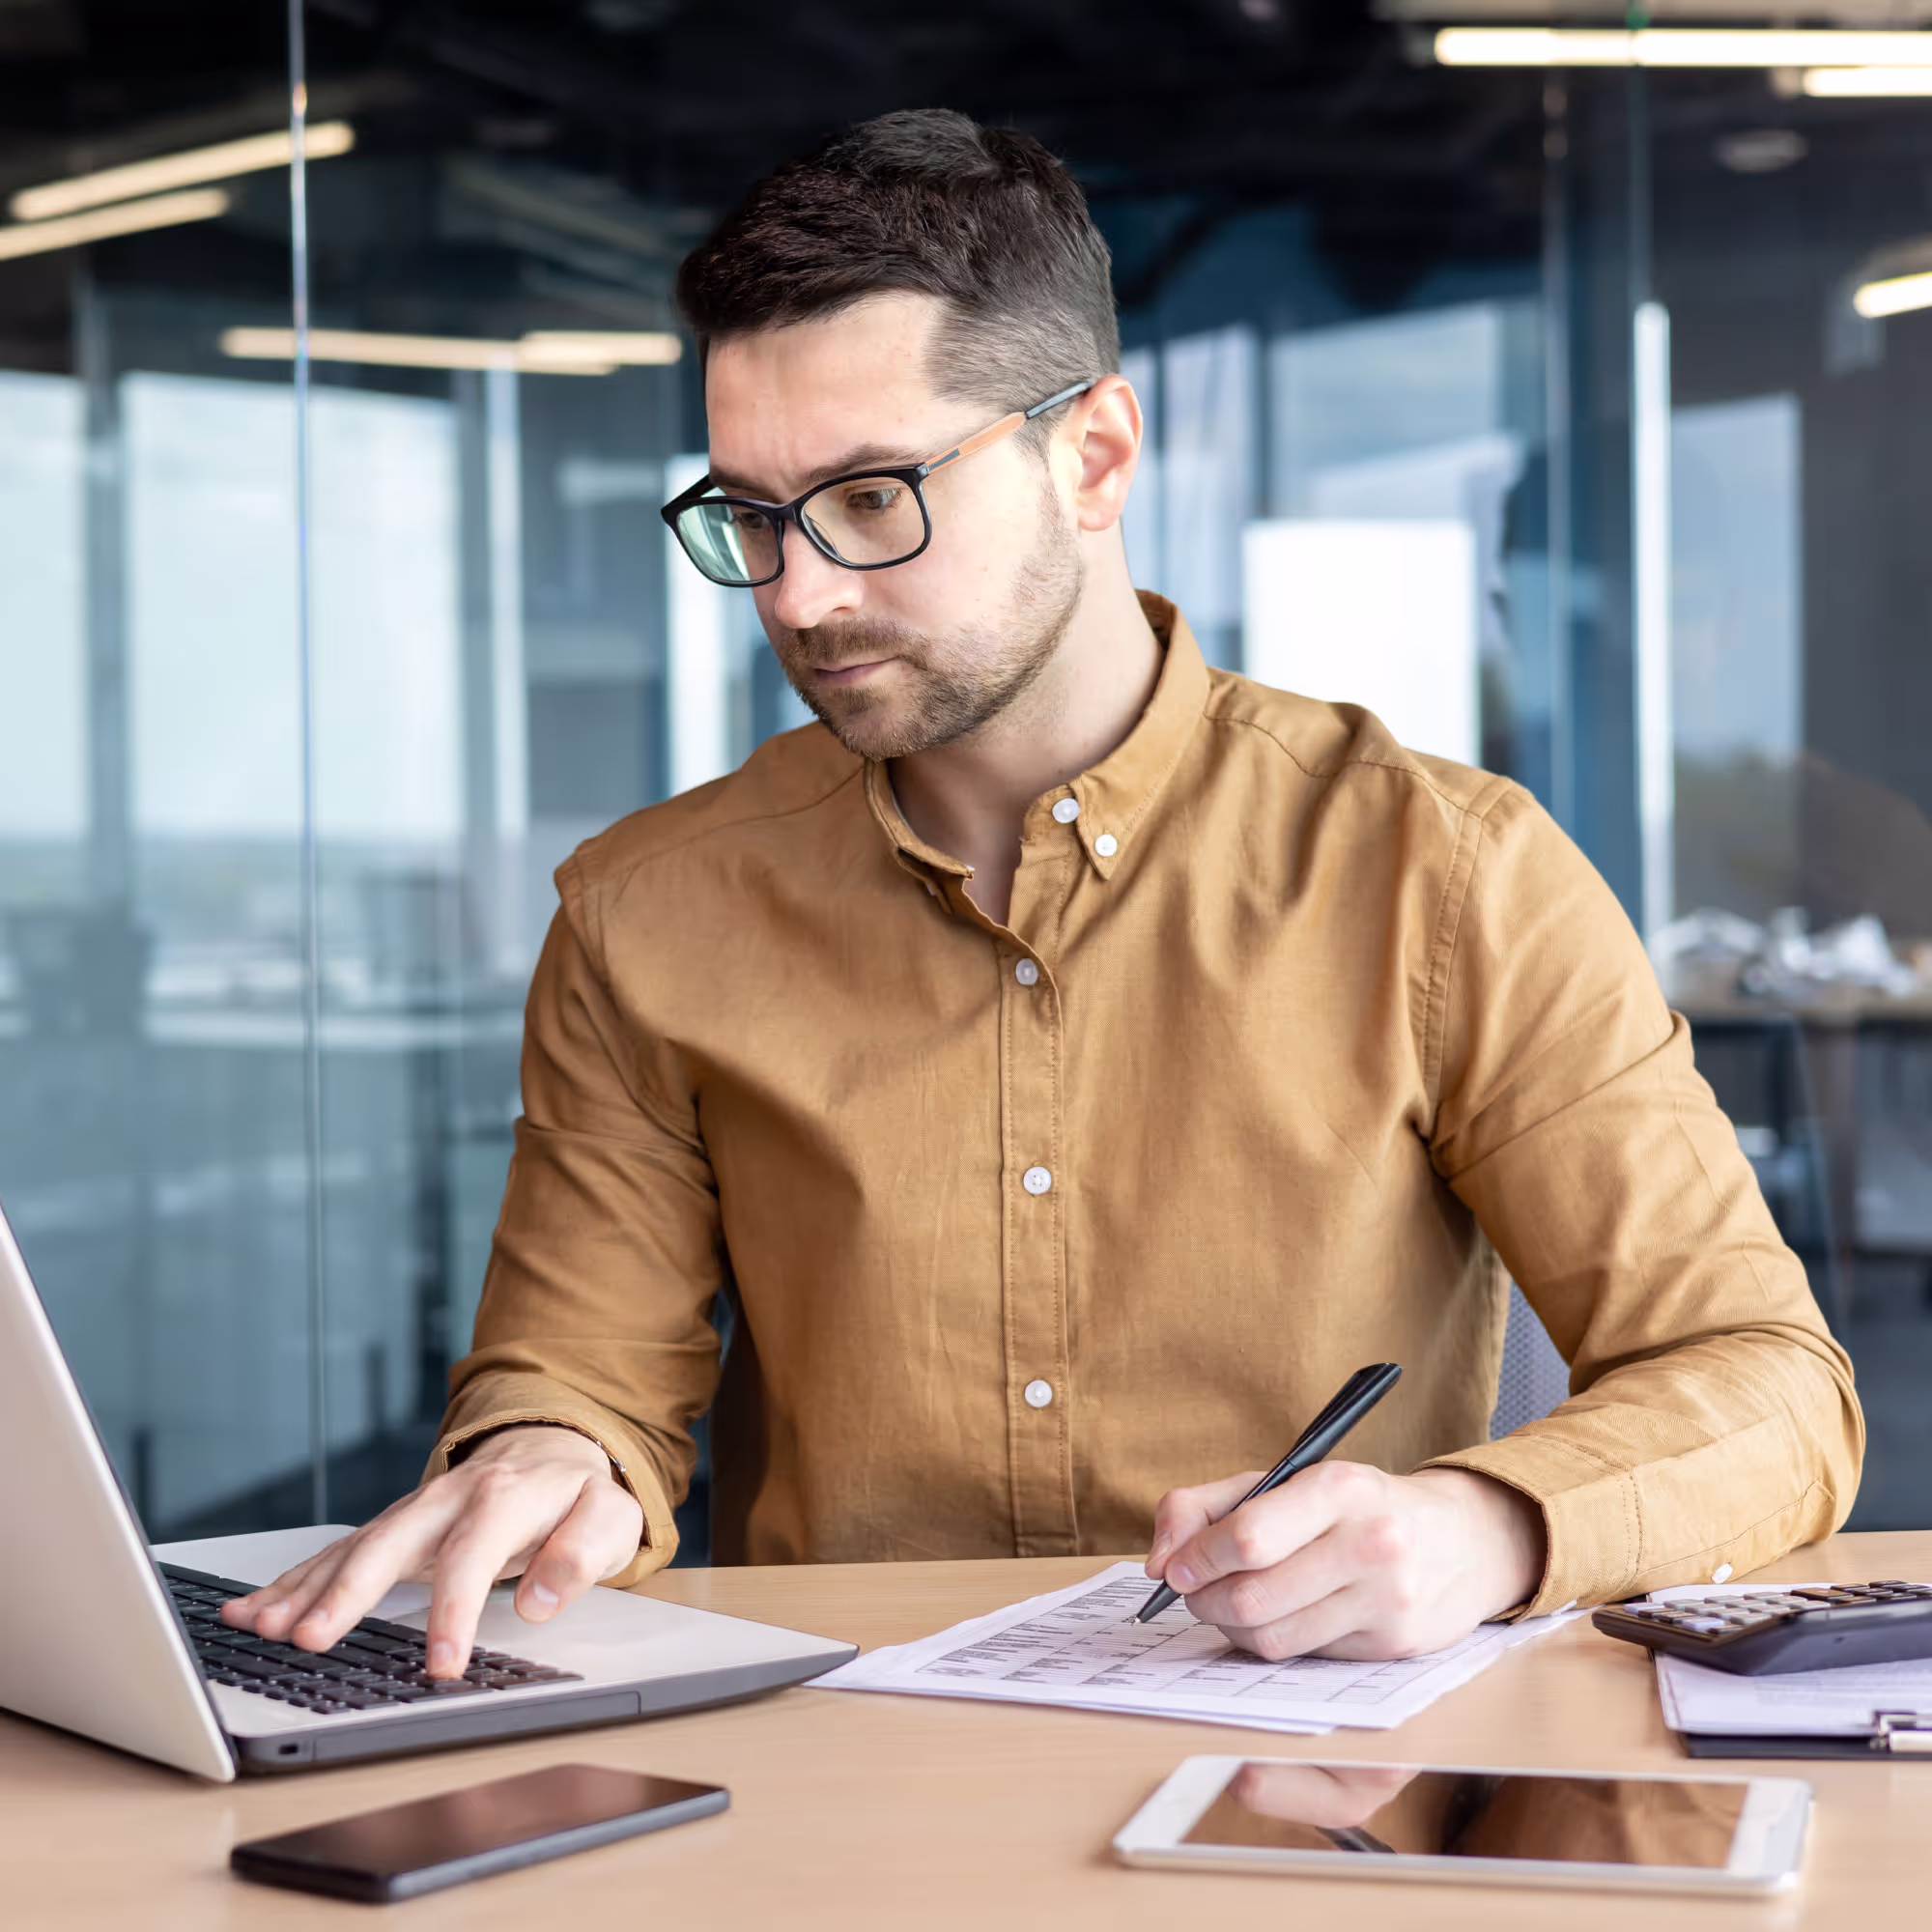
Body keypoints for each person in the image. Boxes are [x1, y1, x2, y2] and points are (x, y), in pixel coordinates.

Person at [226, 109, 1861, 1683]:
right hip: (846, 1784)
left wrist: (1481, 1525)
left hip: (1318, 1785)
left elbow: (1769, 1387)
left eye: (875, 498)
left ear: (1092, 454)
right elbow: (577, 1365)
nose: (801, 591)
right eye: (749, 515)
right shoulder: (644, 915)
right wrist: (553, 1452)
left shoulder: (1445, 871)